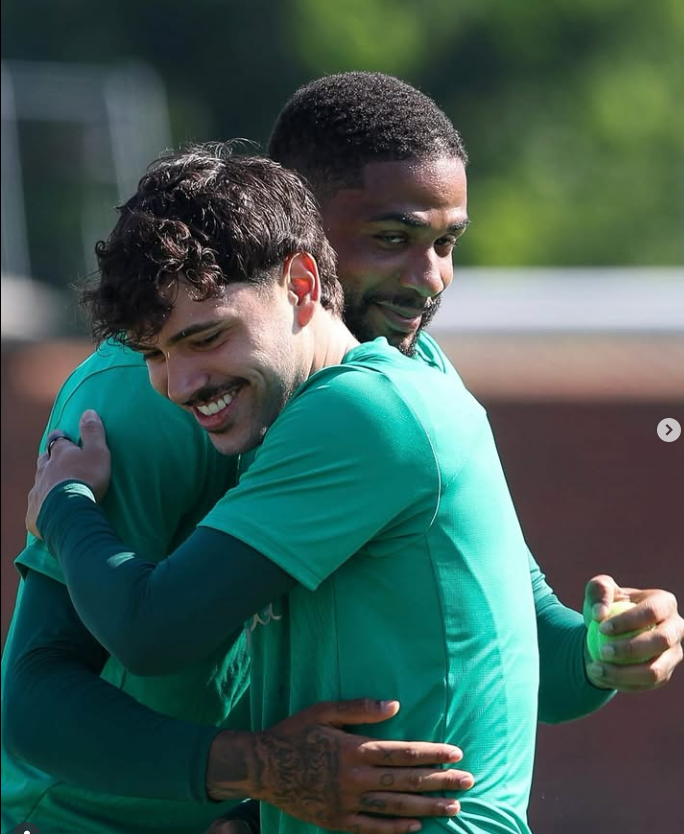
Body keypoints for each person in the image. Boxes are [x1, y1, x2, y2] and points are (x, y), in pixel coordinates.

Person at [3, 72, 682, 834]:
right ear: (299, 234)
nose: (428, 280)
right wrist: (255, 771)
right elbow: (35, 702)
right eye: (392, 239)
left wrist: (600, 649)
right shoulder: (149, 395)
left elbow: (525, 653)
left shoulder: (399, 386)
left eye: (445, 243)